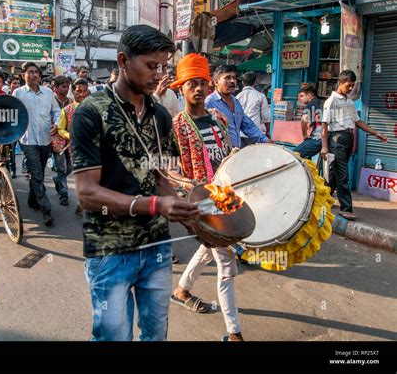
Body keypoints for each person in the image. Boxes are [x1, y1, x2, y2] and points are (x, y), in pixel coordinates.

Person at [71, 24, 198, 341]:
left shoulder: (161, 116)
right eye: (152, 66)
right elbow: (86, 194)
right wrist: (156, 204)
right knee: (113, 337)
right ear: (123, 61)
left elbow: (160, 176)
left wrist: (190, 210)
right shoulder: (91, 113)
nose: (159, 75)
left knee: (156, 335)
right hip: (109, 250)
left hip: (156, 247)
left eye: (164, 67)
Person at [167, 53, 244, 342]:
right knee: (226, 264)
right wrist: (189, 183)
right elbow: (167, 169)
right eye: (191, 84)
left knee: (208, 248)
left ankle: (182, 290)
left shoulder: (220, 119)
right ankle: (234, 333)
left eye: (202, 83)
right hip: (201, 202)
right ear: (181, 89)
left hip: (225, 197)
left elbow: (226, 155)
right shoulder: (176, 127)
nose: (198, 89)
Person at [321, 70, 388, 221]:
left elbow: (358, 122)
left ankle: (323, 200)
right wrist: (324, 146)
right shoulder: (331, 101)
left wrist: (375, 133)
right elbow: (324, 126)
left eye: (352, 85)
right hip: (335, 139)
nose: (350, 88)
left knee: (333, 175)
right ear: (340, 82)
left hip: (348, 137)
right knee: (343, 174)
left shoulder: (349, 102)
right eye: (348, 85)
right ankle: (346, 209)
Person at [13, 62, 60, 226]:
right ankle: (46, 210)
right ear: (23, 75)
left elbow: (56, 111)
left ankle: (32, 200)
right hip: (28, 140)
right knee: (38, 174)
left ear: (39, 76)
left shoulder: (48, 93)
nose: (32, 75)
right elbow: (13, 114)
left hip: (45, 139)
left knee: (38, 173)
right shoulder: (17, 93)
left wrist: (57, 123)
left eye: (35, 72)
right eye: (29, 72)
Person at [205, 65, 269, 148]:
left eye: (234, 78)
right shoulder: (209, 102)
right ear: (216, 82)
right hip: (217, 156)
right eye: (227, 78)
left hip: (234, 153)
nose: (232, 81)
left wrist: (265, 139)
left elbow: (247, 125)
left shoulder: (236, 102)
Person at [53, 78, 89, 209]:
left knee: (75, 172)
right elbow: (60, 129)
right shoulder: (66, 110)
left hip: (83, 148)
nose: (82, 94)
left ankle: (80, 203)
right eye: (79, 91)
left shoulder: (93, 109)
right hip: (65, 145)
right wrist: (71, 136)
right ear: (73, 91)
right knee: (63, 170)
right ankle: (64, 195)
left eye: (85, 91)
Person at [236, 71, 271, 143]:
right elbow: (266, 117)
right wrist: (268, 131)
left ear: (243, 83)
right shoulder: (260, 96)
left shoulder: (237, 97)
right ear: (255, 83)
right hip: (256, 133)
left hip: (241, 133)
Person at [293, 85, 323, 159]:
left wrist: (305, 135)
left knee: (294, 155)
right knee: (306, 157)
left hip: (318, 139)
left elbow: (303, 120)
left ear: (309, 95)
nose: (300, 99)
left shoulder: (310, 105)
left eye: (302, 96)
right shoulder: (321, 102)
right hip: (326, 138)